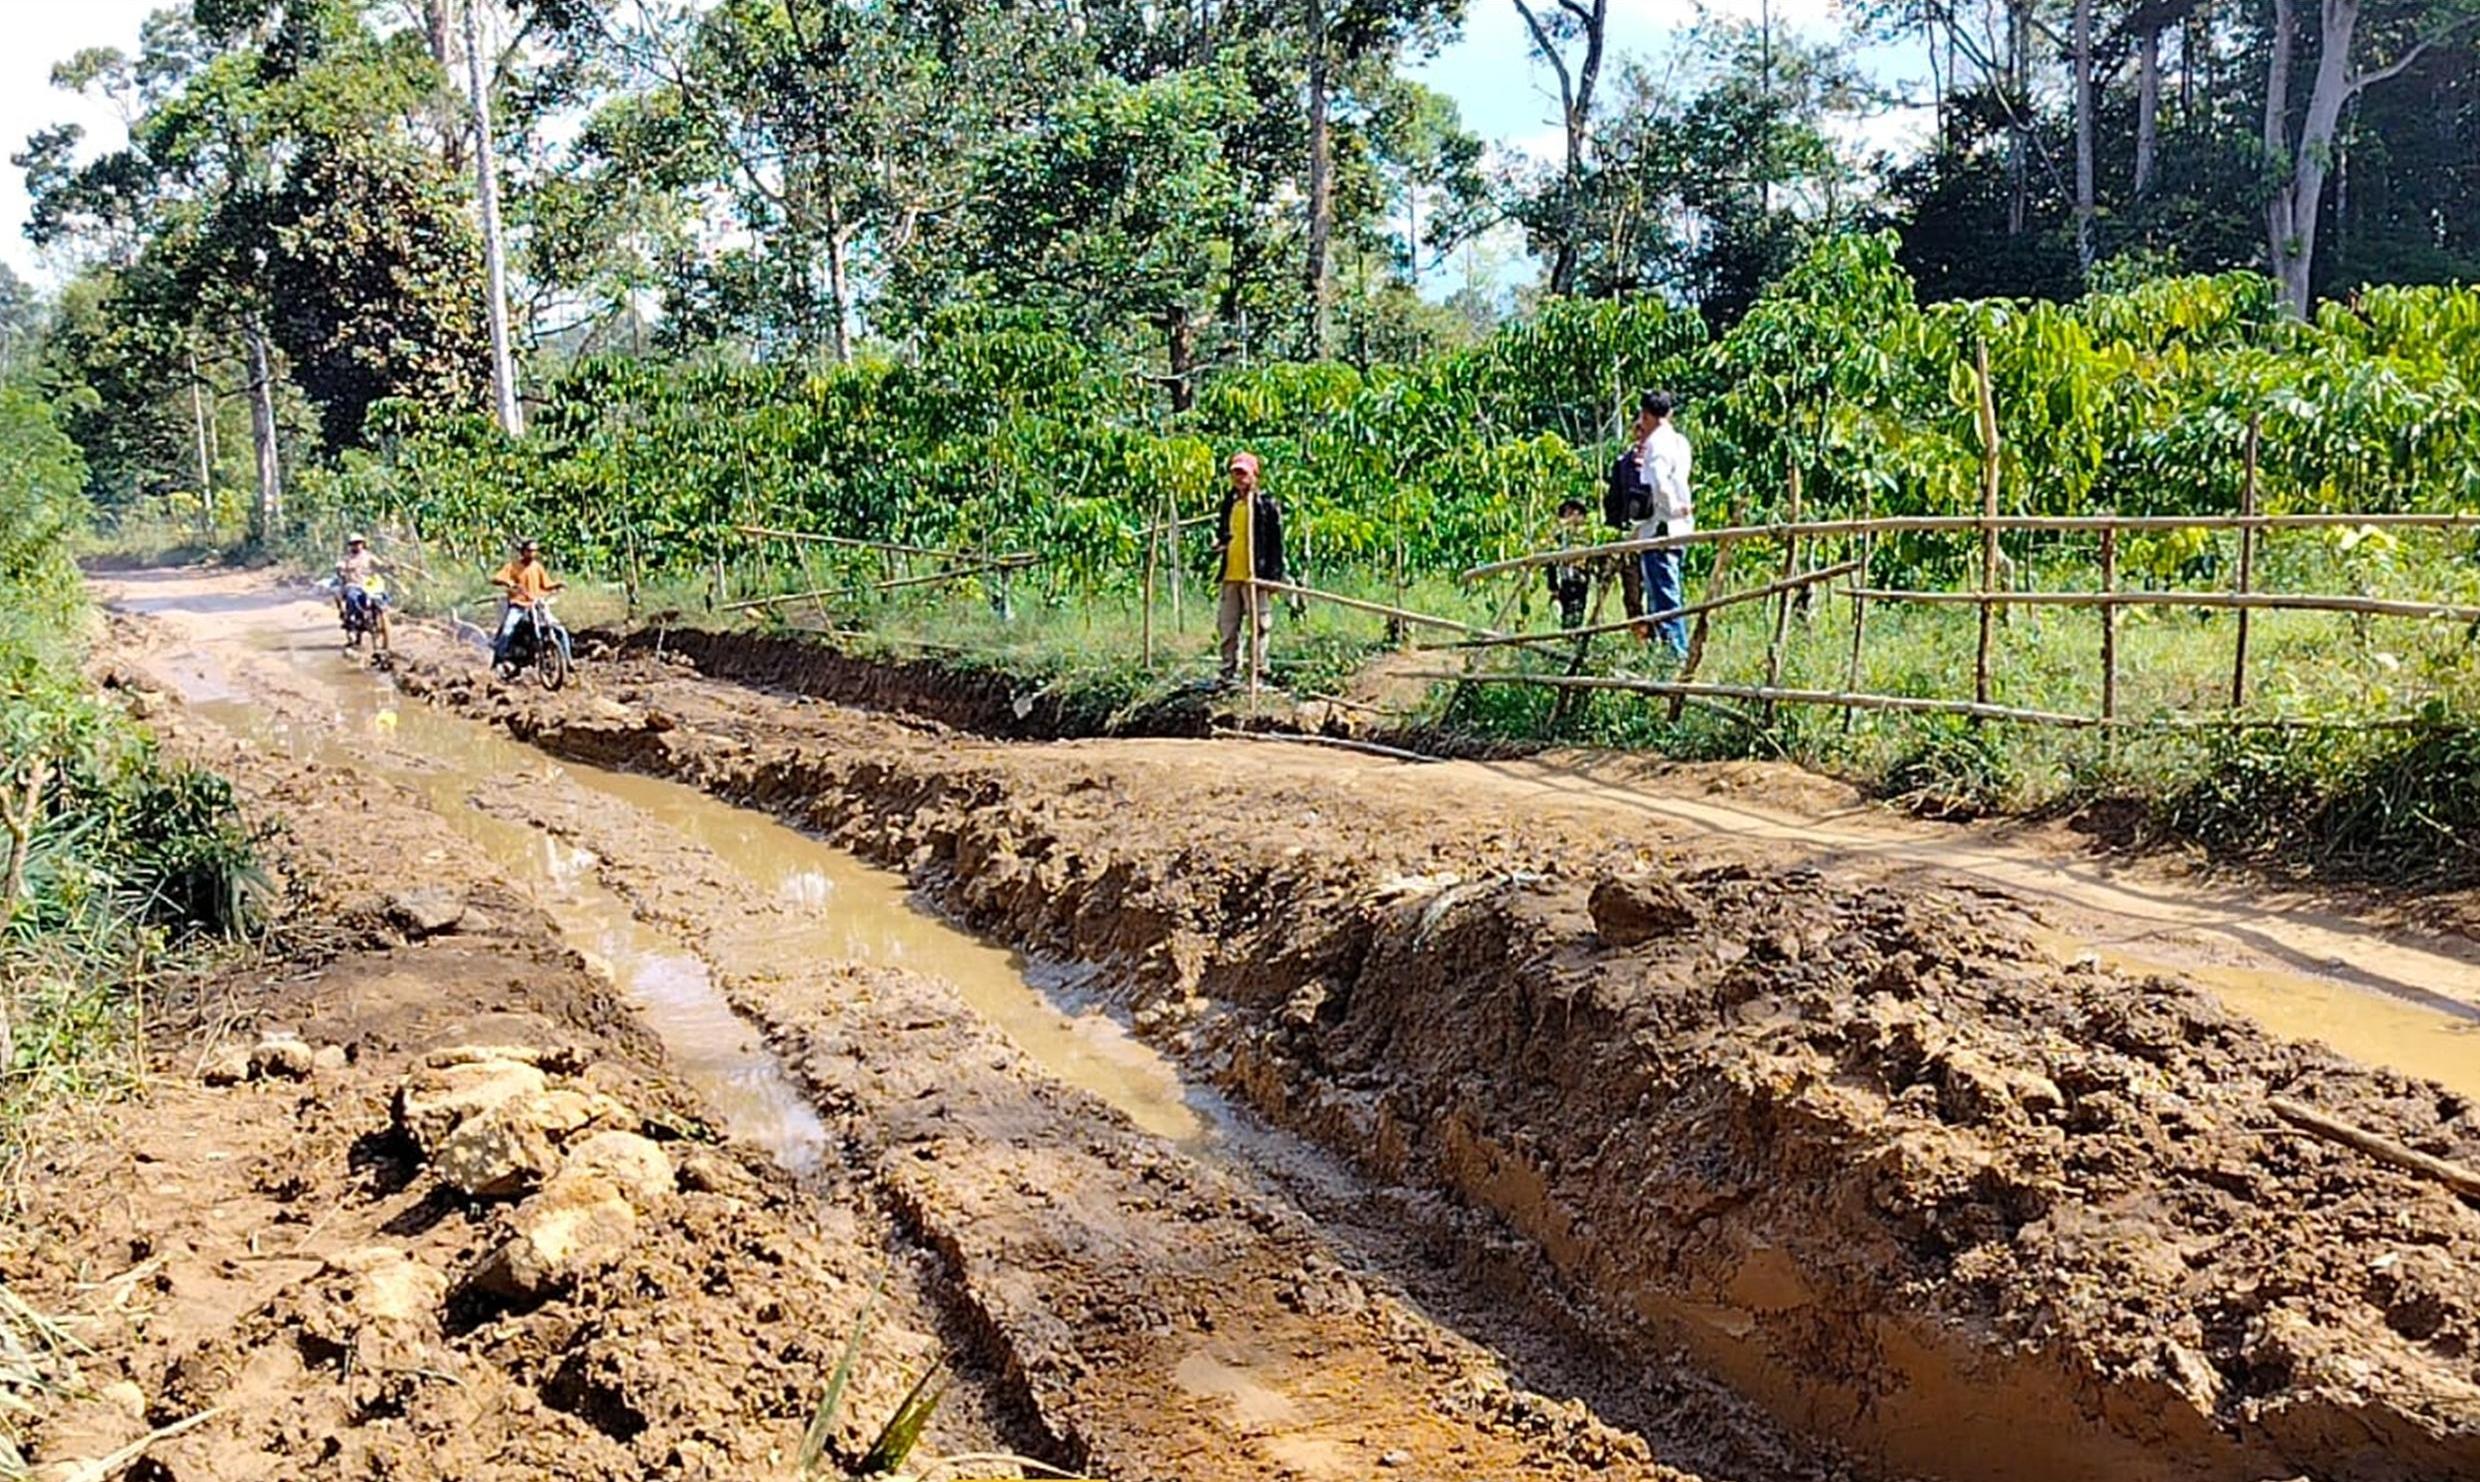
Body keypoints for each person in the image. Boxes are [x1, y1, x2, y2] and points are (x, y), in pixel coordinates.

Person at [1631, 391, 1694, 660]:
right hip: (1679, 529)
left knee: (1664, 597)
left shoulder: (1656, 444)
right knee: (1667, 592)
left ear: (1646, 415)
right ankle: (1665, 654)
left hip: (1662, 528)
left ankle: (1675, 657)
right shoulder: (1680, 442)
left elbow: (1658, 481)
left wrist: (1670, 509)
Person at [1213, 451, 1285, 686]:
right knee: (1227, 625)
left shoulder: (1265, 505)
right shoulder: (1229, 502)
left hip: (1257, 574)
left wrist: (1273, 577)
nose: (1239, 478)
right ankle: (1228, 671)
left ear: (1255, 474)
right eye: (1235, 473)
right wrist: (1221, 542)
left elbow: (1276, 544)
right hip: (1232, 574)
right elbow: (1224, 531)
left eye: (1243, 473)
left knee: (1259, 625)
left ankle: (1258, 671)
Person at [490, 538, 565, 667]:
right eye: (529, 551)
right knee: (507, 630)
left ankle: (566, 661)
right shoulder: (512, 566)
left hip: (536, 605)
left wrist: (556, 585)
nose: (532, 554)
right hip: (518, 605)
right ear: (523, 552)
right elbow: (496, 578)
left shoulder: (537, 567)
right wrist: (507, 582)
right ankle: (499, 659)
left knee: (559, 629)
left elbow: (546, 584)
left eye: (535, 551)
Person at [335, 534, 392, 654]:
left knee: (382, 598)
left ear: (363, 544)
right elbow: (339, 567)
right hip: (353, 585)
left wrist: (388, 567)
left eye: (359, 543)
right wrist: (341, 571)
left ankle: (383, 636)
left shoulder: (369, 556)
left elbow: (380, 565)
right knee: (351, 598)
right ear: (350, 546)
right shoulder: (347, 559)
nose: (357, 545)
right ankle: (351, 622)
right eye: (354, 543)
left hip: (369, 586)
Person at [1545, 499, 1593, 629]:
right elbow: (1550, 562)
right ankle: (1569, 635)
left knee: (1577, 610)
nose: (1572, 516)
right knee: (1566, 612)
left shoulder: (1586, 537)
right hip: (1564, 581)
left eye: (1575, 512)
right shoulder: (1559, 538)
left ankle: (1575, 635)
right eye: (1568, 513)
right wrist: (1553, 586)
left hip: (1580, 580)